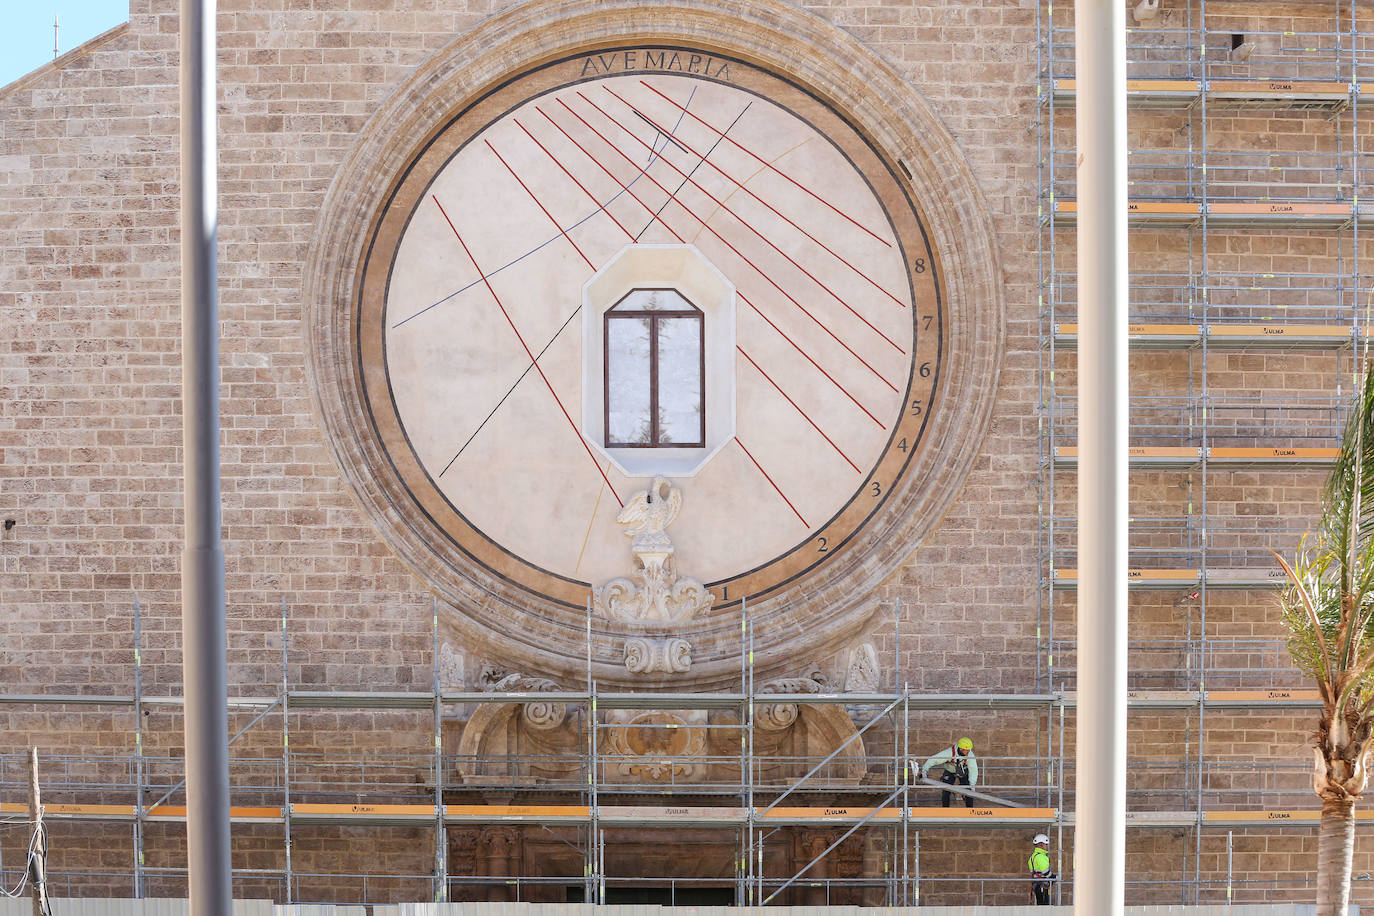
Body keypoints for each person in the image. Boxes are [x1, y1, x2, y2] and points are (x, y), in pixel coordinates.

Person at [920, 737, 978, 807]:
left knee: (969, 791)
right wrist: (924, 770)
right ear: (960, 748)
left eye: (969, 750)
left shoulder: (970, 755)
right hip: (949, 771)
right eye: (966, 750)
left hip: (963, 771)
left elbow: (973, 770)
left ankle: (970, 811)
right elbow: (934, 759)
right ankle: (945, 810)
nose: (968, 752)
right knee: (946, 791)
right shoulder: (949, 752)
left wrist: (972, 785)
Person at [1028, 833, 1055, 905]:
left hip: (1036, 884)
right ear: (1041, 844)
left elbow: (1033, 872)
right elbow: (1046, 872)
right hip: (1043, 885)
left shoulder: (1032, 857)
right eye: (1046, 844)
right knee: (1044, 905)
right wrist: (1054, 877)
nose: (1047, 846)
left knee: (1040, 904)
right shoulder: (1041, 857)